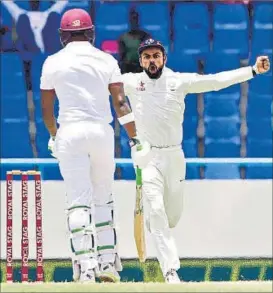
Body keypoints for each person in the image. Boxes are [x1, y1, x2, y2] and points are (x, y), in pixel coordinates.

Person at [122, 38, 270, 283]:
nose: (151, 61)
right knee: (156, 209)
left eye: (155, 56)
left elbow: (215, 81)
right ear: (140, 61)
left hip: (174, 156)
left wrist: (252, 70)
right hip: (148, 157)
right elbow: (102, 81)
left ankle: (156, 224)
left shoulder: (178, 81)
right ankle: (170, 271)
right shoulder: (132, 82)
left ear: (163, 58)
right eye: (146, 57)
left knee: (171, 217)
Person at [40, 8, 144, 283]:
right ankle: (108, 263)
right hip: (101, 132)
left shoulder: (52, 62)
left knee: (77, 201)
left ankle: (85, 268)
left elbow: (47, 109)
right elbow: (121, 103)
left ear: (63, 35)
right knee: (103, 197)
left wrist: (53, 135)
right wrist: (135, 139)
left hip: (70, 133)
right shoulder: (106, 60)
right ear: (91, 32)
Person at [2, 0, 68, 54]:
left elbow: (63, 1)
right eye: (32, 1)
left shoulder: (49, 14)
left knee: (53, 16)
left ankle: (47, 49)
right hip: (28, 37)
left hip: (47, 35)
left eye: (36, 1)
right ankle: (33, 47)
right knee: (22, 18)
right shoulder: (20, 14)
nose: (34, 3)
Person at [118, 9, 150, 74]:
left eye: (135, 19)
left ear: (138, 20)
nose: (134, 21)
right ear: (130, 21)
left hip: (142, 68)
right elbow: (122, 56)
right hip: (128, 69)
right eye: (132, 19)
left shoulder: (145, 36)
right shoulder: (123, 38)